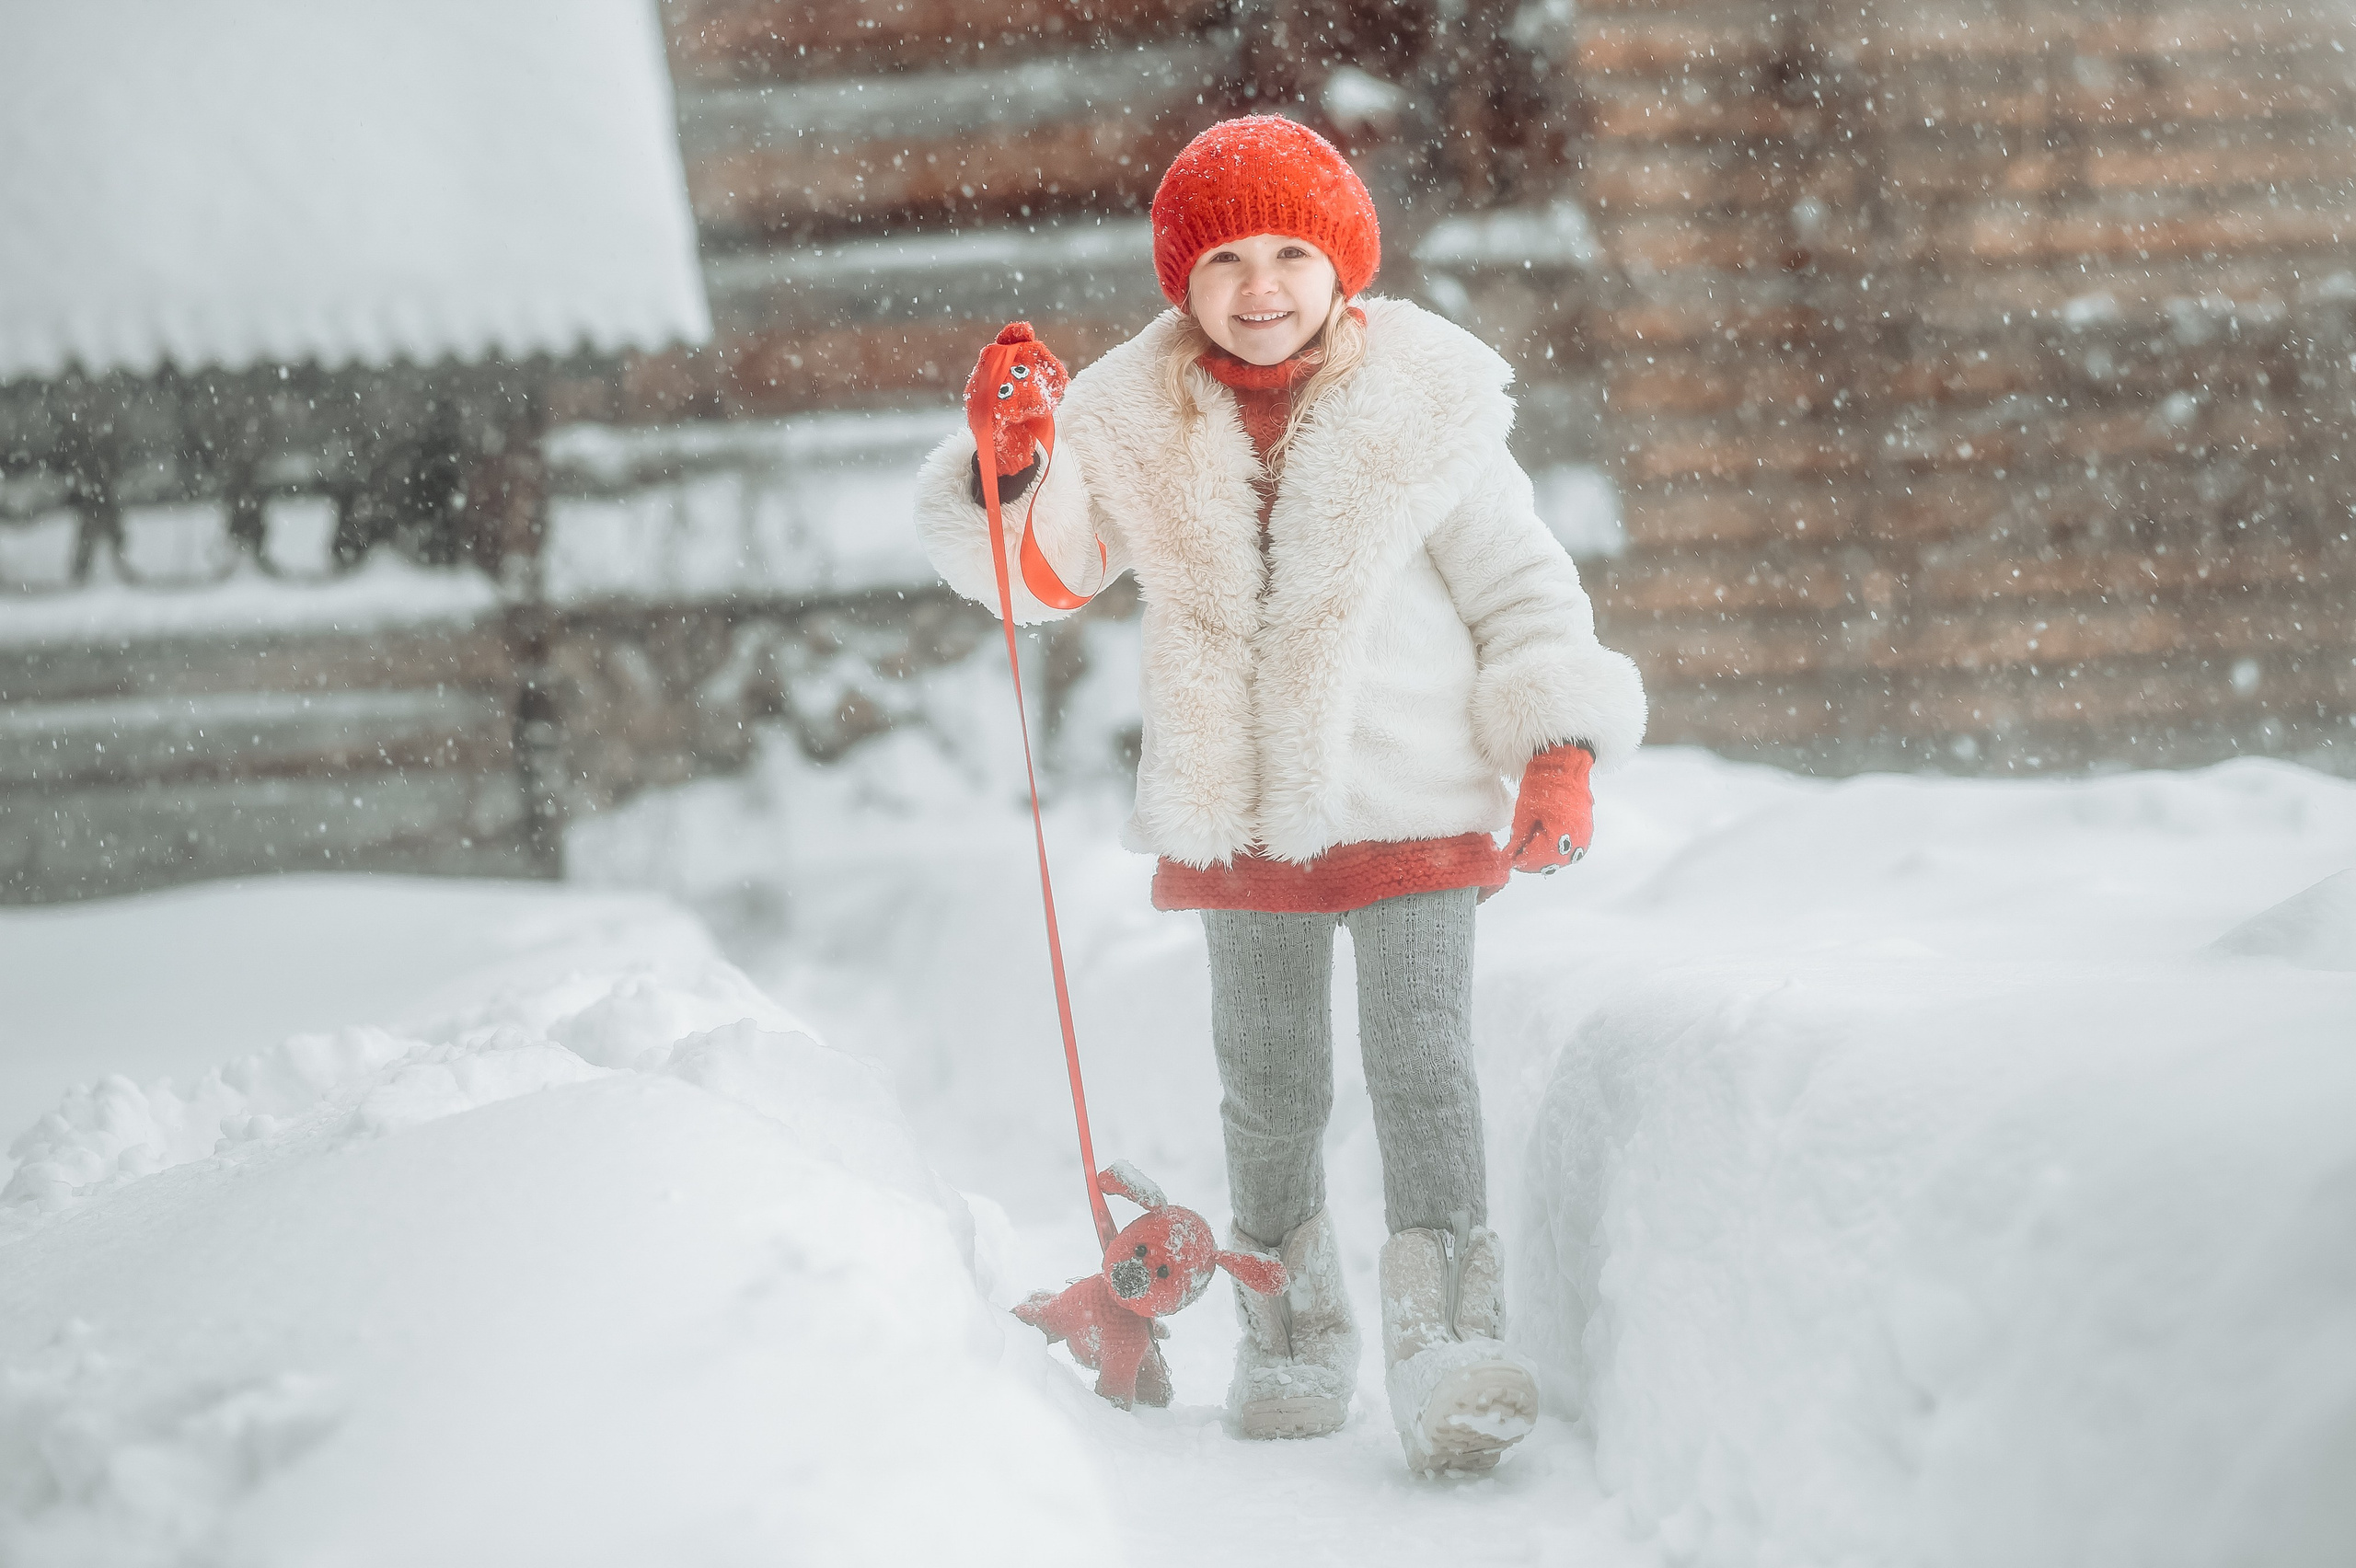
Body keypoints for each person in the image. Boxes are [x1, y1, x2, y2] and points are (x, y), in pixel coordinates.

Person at [914, 115, 1646, 1474]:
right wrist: (1012, 470)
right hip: (1239, 813)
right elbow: (1048, 575)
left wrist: (1557, 745)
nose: (1262, 286)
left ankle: (1449, 1343)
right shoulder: (1131, 419)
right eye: (1226, 260)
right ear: (1182, 283)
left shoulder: (1430, 412)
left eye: (1293, 253)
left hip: (1417, 805)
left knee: (1424, 1068)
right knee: (1269, 1087)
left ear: (1345, 264)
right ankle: (1292, 1336)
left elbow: (1526, 592)